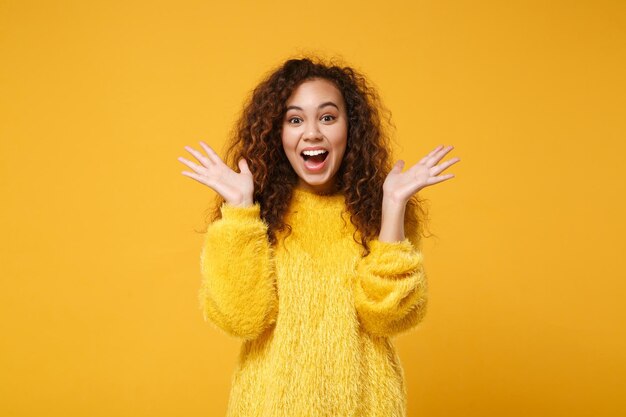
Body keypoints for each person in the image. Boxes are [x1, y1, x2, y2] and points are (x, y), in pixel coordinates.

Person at [177, 56, 460, 417]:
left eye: (327, 117)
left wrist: (393, 206)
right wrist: (239, 210)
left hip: (366, 406)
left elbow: (388, 319)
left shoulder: (377, 211)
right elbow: (240, 318)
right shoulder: (255, 213)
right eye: (295, 119)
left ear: (350, 128)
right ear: (277, 132)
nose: (312, 132)